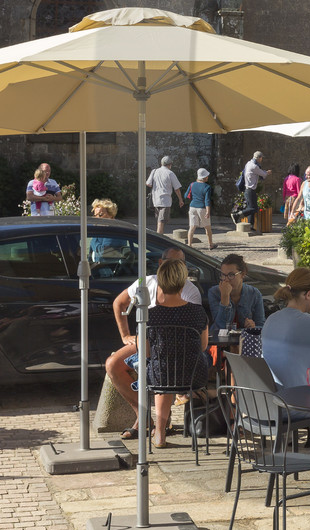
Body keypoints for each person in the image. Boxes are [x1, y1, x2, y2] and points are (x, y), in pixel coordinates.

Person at [108, 258, 210, 448]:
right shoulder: (198, 312)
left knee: (161, 365)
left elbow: (145, 351)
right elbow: (203, 346)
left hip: (159, 377)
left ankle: (160, 434)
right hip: (196, 376)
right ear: (183, 282)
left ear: (159, 279)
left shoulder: (151, 315)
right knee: (172, 364)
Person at [206, 253, 265, 332]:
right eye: (223, 275)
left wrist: (253, 326)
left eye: (231, 275)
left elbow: (261, 325)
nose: (226, 279)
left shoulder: (254, 294)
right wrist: (225, 297)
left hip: (245, 339)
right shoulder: (214, 292)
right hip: (221, 341)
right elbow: (221, 326)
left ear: (242, 274)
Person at [146, 155, 182, 235]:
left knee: (159, 221)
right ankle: (158, 240)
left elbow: (148, 183)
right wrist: (180, 199)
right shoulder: (170, 173)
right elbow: (177, 188)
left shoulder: (154, 171)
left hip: (155, 200)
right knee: (161, 223)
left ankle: (159, 238)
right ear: (170, 164)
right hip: (165, 201)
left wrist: (157, 185)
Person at [184, 168, 214, 249]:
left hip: (192, 207)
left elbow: (186, 195)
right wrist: (208, 211)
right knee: (207, 227)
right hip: (202, 208)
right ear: (205, 177)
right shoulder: (207, 187)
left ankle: (189, 245)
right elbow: (207, 200)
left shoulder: (192, 184)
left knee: (192, 227)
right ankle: (211, 244)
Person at [241, 151, 269, 230]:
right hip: (250, 190)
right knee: (254, 208)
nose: (262, 159)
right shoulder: (254, 166)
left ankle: (251, 226)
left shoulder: (248, 163)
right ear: (259, 158)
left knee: (251, 208)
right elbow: (263, 174)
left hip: (248, 189)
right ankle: (239, 214)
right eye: (261, 158)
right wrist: (267, 172)